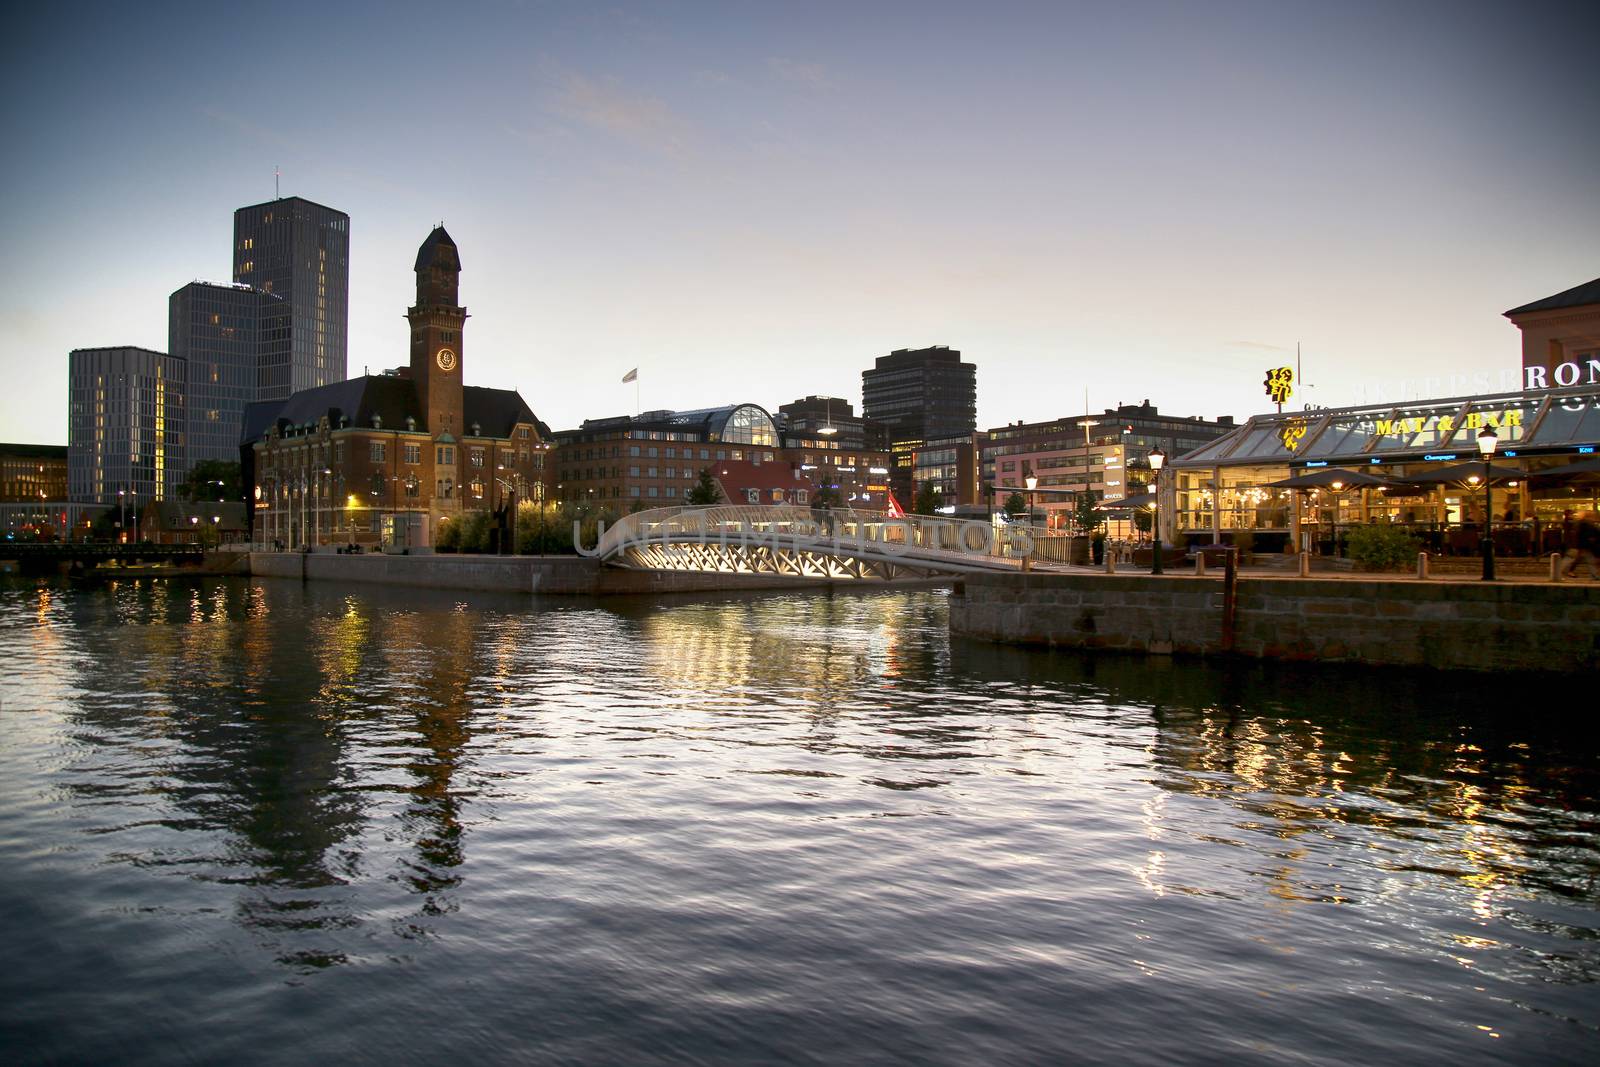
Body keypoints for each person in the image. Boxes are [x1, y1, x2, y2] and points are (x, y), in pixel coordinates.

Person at [1561, 511, 1600, 580]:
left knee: (1575, 559)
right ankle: (1595, 575)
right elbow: (1590, 536)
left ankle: (1565, 570)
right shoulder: (1587, 525)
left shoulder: (1579, 524)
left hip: (1580, 546)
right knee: (1590, 560)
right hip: (1584, 546)